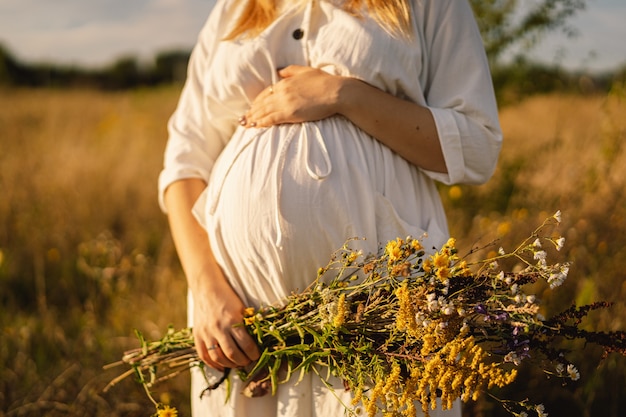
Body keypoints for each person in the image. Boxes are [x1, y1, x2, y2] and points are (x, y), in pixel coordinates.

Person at [158, 0, 502, 415]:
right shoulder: (235, 8)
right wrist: (206, 287)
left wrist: (345, 95)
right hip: (244, 325)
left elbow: (476, 147)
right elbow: (185, 159)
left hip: (385, 317)